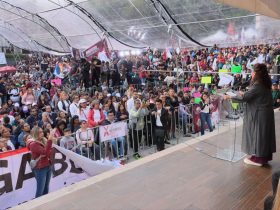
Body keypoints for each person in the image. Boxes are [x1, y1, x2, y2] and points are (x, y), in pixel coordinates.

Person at [224, 63, 276, 166]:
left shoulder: (258, 85)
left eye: (253, 72)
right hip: (264, 113)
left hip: (260, 115)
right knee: (263, 135)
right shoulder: (265, 83)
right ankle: (262, 157)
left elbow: (245, 98)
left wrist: (229, 97)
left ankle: (258, 159)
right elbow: (252, 95)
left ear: (257, 74)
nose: (251, 73)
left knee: (259, 135)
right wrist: (245, 94)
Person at [27, 126, 53, 198]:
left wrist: (49, 143)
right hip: (40, 168)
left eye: (42, 131)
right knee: (40, 190)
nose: (42, 133)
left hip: (48, 165)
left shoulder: (43, 140)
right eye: (40, 132)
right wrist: (50, 140)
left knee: (46, 188)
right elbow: (45, 152)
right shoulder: (33, 144)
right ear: (35, 133)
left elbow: (49, 152)